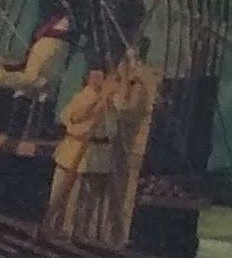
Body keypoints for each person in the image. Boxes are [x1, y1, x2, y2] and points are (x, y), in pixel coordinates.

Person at [45, 58, 154, 246]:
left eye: (102, 76)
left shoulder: (113, 101)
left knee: (87, 203)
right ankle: (54, 232)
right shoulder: (83, 96)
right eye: (94, 75)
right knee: (61, 196)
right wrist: (99, 99)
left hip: (98, 155)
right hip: (74, 152)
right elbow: (75, 117)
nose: (97, 78)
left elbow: (126, 106)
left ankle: (79, 237)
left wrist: (124, 80)